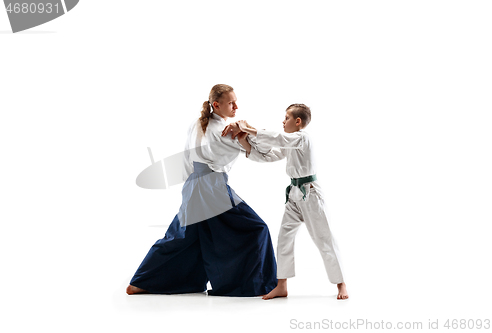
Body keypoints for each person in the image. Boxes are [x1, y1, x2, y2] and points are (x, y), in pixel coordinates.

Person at [126, 84, 277, 296]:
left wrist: (192, 186)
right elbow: (267, 154)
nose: (236, 106)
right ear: (217, 105)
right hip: (211, 186)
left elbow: (188, 158)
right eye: (231, 102)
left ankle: (142, 281)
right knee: (256, 228)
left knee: (184, 236)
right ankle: (255, 284)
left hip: (194, 183)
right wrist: (248, 129)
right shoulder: (227, 131)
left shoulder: (197, 124)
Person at [222, 104, 349, 300]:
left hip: (311, 194)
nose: (283, 121)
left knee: (324, 239)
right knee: (284, 238)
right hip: (294, 195)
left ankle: (341, 285)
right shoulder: (291, 143)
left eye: (287, 118)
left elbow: (278, 138)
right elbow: (269, 156)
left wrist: (249, 128)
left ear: (298, 122)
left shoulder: (302, 137)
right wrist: (245, 142)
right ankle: (282, 285)